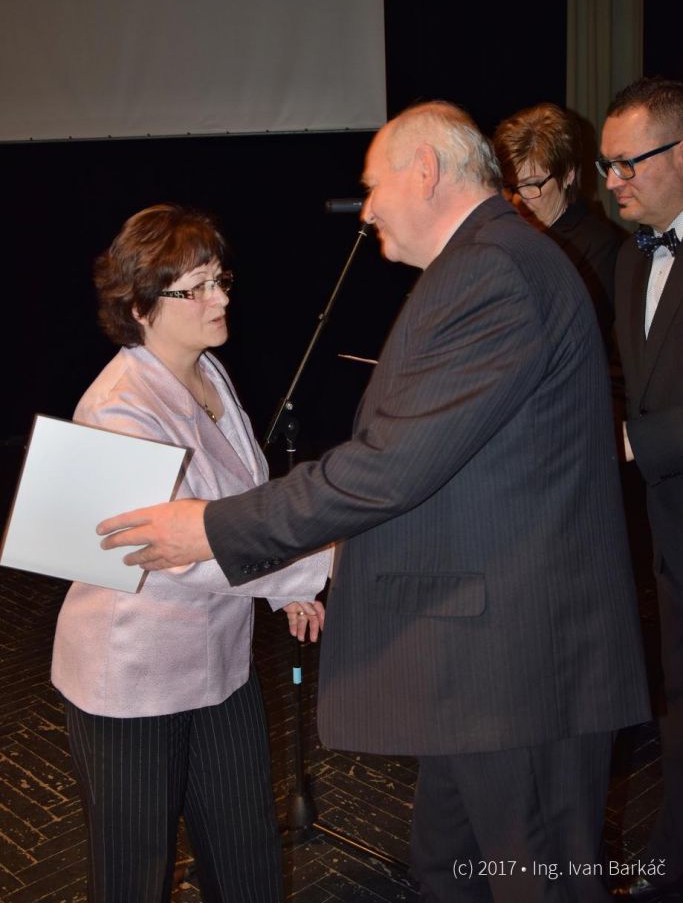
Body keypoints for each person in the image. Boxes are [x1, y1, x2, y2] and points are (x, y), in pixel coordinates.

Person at [97, 103, 651, 903]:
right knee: (450, 871)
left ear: (423, 172)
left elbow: (389, 468)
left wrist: (211, 528)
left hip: (520, 670)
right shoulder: (484, 263)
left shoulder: (494, 272)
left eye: (372, 185)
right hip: (486, 661)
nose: (367, 210)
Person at [51, 204, 331, 903]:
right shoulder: (117, 407)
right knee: (135, 874)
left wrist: (284, 589)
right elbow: (179, 550)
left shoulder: (207, 373)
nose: (221, 298)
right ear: (139, 307)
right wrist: (320, 566)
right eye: (196, 287)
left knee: (246, 856)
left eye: (220, 279)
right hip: (131, 679)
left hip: (218, 662)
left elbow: (245, 497)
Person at [597, 77, 683, 900]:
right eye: (605, 166)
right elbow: (636, 387)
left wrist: (629, 441)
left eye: (627, 163)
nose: (612, 182)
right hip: (668, 535)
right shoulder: (630, 260)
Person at [493, 102, 624, 349]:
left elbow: (568, 336)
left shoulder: (599, 246)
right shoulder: (506, 232)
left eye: (532, 184)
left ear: (568, 175)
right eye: (510, 186)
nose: (518, 199)